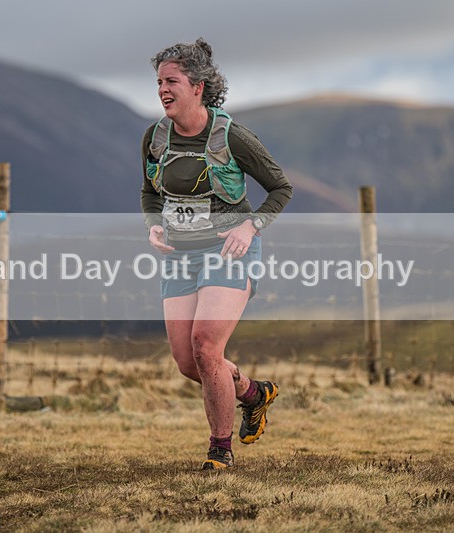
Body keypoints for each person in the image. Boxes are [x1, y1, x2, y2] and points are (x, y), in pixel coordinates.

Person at [141, 38, 293, 470]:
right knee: (190, 364)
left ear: (198, 87)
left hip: (229, 250)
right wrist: (154, 224)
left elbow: (281, 188)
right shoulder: (154, 138)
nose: (162, 90)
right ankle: (253, 393)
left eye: (171, 81)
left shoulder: (232, 137)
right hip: (179, 256)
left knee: (207, 346)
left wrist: (251, 224)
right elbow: (149, 192)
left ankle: (219, 452)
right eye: (159, 82)